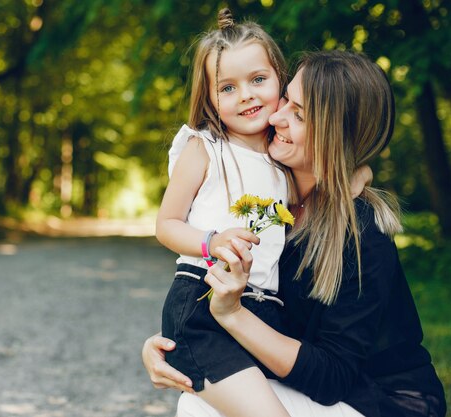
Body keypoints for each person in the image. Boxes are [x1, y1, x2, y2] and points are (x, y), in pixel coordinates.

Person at [144, 50, 446, 417]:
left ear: (334, 137)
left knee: (201, 407)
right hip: (317, 392)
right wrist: (174, 346)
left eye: (299, 114)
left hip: (383, 402)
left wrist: (232, 315)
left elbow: (331, 376)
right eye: (286, 97)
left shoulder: (363, 233)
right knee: (202, 395)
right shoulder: (269, 198)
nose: (276, 116)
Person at [156, 8, 292, 417]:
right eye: (227, 88)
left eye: (258, 80)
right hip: (202, 305)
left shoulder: (284, 156)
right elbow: (166, 224)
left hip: (264, 313)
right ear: (210, 97)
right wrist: (211, 241)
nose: (246, 95)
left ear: (279, 79)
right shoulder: (204, 147)